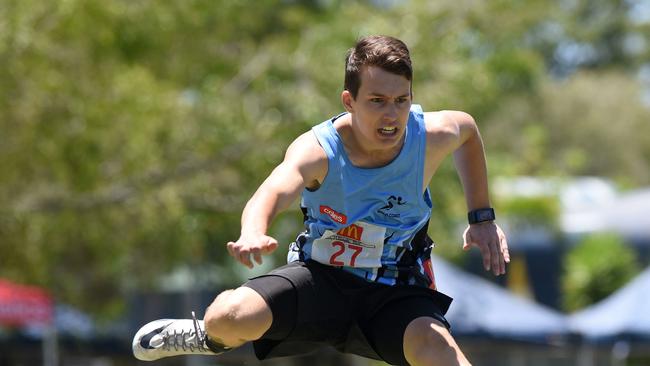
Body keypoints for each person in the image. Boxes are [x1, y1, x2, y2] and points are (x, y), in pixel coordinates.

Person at [132, 35, 509, 366]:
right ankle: (207, 337)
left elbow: (469, 131)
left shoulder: (432, 134)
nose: (391, 115)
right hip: (320, 279)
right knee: (230, 315)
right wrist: (252, 231)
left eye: (401, 100)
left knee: (441, 353)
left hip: (397, 287)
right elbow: (272, 191)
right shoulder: (318, 151)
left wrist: (481, 217)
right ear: (349, 100)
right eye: (377, 101)